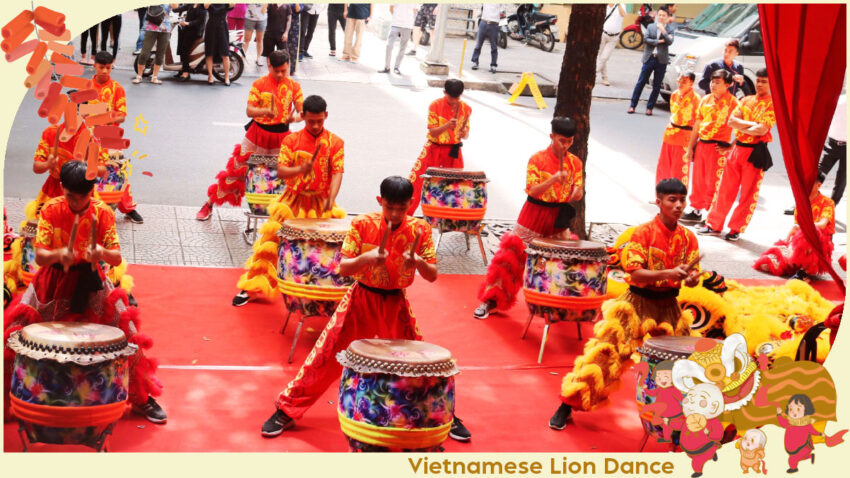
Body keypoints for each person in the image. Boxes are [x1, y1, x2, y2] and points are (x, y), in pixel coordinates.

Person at [259, 176, 471, 442]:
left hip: (396, 303)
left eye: (401, 208)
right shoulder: (362, 223)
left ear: (410, 204)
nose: (395, 214)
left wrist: (417, 261)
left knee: (420, 366)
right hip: (360, 300)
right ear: (380, 202)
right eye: (389, 207)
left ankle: (444, 416)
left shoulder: (420, 230)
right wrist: (366, 258)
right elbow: (344, 267)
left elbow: (432, 276)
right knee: (324, 357)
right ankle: (287, 409)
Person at [3, 161, 166, 424]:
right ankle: (6, 398)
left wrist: (100, 252)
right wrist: (59, 253)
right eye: (69, 195)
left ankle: (141, 397)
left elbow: (115, 257)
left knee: (127, 334)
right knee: (16, 333)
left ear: (91, 192)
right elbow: (41, 256)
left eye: (80, 197)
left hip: (91, 280)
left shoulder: (102, 213)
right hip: (52, 280)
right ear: (63, 189)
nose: (74, 202)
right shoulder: (52, 210)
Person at [549, 178, 699, 429]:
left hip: (669, 307)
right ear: (659, 201)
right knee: (604, 356)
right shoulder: (643, 233)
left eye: (682, 200)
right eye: (672, 200)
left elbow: (691, 279)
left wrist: (692, 278)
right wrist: (671, 273)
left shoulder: (689, 238)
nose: (678, 205)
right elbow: (637, 273)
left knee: (683, 363)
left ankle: (682, 419)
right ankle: (568, 403)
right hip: (637, 304)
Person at [233, 95, 346, 306]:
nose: (315, 125)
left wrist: (332, 198)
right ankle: (253, 286)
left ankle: (318, 297)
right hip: (292, 201)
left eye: (319, 121)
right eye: (310, 121)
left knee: (324, 252)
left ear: (326, 116)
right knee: (270, 244)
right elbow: (283, 172)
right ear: (302, 116)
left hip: (321, 202)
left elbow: (338, 172)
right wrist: (299, 169)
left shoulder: (335, 142)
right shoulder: (291, 140)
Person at [473, 117, 582, 320]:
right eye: (561, 140)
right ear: (552, 137)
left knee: (562, 262)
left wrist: (576, 193)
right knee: (511, 258)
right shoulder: (537, 159)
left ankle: (561, 306)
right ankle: (491, 300)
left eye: (569, 141)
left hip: (558, 217)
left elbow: (578, 190)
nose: (565, 145)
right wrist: (553, 179)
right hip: (534, 213)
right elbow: (532, 191)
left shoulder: (575, 162)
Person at [197, 51, 303, 221]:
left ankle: (286, 217)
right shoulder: (259, 84)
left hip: (282, 137)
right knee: (237, 170)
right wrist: (264, 111)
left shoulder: (294, 86)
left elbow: (301, 111)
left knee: (285, 178)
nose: (281, 74)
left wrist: (295, 118)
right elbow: (249, 111)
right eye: (277, 71)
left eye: (284, 70)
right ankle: (209, 204)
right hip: (257, 134)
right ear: (269, 65)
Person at [699, 68, 774, 241]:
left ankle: (735, 228)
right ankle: (713, 224)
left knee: (748, 193)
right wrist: (750, 125)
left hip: (755, 152)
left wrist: (743, 125)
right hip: (737, 149)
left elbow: (761, 129)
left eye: (764, 81)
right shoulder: (746, 99)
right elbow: (731, 121)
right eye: (758, 80)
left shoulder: (772, 104)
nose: (759, 84)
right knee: (724, 189)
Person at [90, 51, 144, 224]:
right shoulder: (85, 86)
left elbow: (121, 116)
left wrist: (102, 116)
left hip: (111, 137)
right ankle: (90, 208)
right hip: (89, 137)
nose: (105, 71)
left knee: (118, 174)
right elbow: (80, 111)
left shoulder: (117, 88)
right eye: (101, 67)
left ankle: (128, 208)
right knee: (88, 173)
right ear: (94, 66)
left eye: (108, 67)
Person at [680, 70, 739, 224]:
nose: (713, 85)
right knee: (699, 179)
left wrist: (731, 147)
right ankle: (696, 209)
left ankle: (711, 213)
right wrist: (690, 148)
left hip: (718, 147)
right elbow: (697, 125)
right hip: (702, 145)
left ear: (728, 85)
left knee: (714, 182)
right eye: (713, 81)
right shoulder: (706, 99)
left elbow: (742, 129)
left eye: (718, 82)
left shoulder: (734, 103)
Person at [754, 173, 835, 282]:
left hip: (820, 244)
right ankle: (799, 267)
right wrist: (788, 241)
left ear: (818, 185)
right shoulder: (801, 202)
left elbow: (822, 224)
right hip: (803, 241)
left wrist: (801, 227)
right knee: (769, 263)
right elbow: (796, 229)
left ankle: (804, 272)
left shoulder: (827, 202)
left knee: (810, 232)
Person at [407, 79, 471, 215]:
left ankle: (448, 218)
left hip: (453, 150)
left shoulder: (466, 108)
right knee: (417, 180)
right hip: (434, 148)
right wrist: (447, 125)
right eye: (451, 97)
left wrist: (464, 133)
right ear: (444, 92)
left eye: (457, 98)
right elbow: (432, 131)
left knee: (455, 186)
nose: (454, 101)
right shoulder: (435, 105)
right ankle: (406, 214)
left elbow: (465, 135)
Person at [28, 124, 108, 220]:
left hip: (82, 193)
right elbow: (36, 168)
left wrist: (87, 165)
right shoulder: (50, 132)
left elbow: (102, 171)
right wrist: (48, 164)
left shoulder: (94, 136)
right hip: (54, 191)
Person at [787, 94, 846, 215]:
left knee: (842, 179)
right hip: (832, 144)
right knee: (816, 174)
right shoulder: (839, 99)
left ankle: (830, 209)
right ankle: (802, 204)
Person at [775, 394, 848, 473]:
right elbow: (782, 422)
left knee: (792, 459)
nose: (794, 412)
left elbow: (813, 431)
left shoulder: (806, 425)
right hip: (792, 448)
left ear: (806, 410)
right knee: (796, 457)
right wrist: (779, 414)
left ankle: (794, 468)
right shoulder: (789, 422)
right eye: (791, 409)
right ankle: (810, 456)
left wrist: (820, 434)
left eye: (798, 409)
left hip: (804, 448)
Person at [655, 73, 700, 187]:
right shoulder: (674, 94)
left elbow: (697, 123)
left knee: (680, 170)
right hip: (670, 134)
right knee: (663, 167)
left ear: (691, 84)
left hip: (685, 138)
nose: (680, 83)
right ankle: (661, 196)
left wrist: (693, 144)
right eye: (680, 80)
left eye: (684, 81)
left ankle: (678, 199)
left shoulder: (696, 99)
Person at [627, 7, 673, 116]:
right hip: (649, 58)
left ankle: (650, 108)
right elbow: (646, 39)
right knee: (641, 82)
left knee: (657, 86)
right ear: (657, 15)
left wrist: (663, 30)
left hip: (661, 60)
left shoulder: (669, 29)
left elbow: (670, 41)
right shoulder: (651, 26)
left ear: (667, 17)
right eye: (660, 15)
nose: (661, 17)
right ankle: (633, 105)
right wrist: (660, 41)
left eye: (664, 15)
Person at [133, 4, 177, 85]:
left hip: (165, 29)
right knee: (144, 53)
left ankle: (154, 77)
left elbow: (175, 6)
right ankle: (139, 76)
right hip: (151, 27)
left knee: (160, 54)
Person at [379, 4, 416, 75]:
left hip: (407, 26)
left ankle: (396, 67)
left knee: (403, 47)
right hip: (395, 24)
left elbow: (415, 11)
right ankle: (387, 67)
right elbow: (391, 8)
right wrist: (397, 17)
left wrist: (408, 20)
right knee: (389, 46)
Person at [175, 4, 208, 81]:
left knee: (184, 49)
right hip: (187, 29)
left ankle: (186, 72)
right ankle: (182, 69)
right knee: (180, 48)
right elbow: (179, 8)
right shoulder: (191, 4)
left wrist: (188, 23)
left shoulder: (202, 6)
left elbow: (200, 21)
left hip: (195, 31)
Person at [205, 3, 234, 85]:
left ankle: (227, 77)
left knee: (225, 53)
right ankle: (210, 76)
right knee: (209, 53)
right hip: (211, 27)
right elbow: (205, 6)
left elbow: (232, 4)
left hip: (222, 26)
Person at [597, 3, 626, 86]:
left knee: (604, 57)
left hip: (614, 37)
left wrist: (619, 3)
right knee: (602, 57)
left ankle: (592, 74)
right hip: (603, 34)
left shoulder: (621, 5)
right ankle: (604, 77)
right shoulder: (605, 5)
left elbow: (623, 14)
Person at [470, 3, 501, 74]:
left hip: (494, 25)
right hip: (483, 23)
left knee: (494, 47)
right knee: (478, 45)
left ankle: (493, 65)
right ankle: (475, 62)